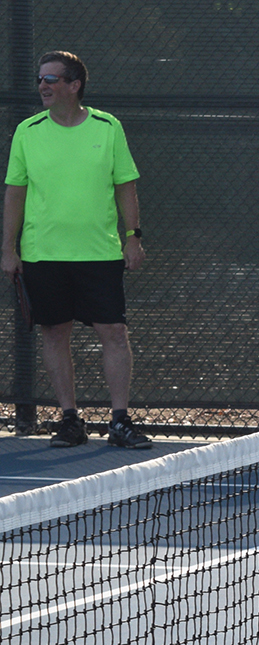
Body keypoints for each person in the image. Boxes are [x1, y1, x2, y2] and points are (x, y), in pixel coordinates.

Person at [2, 50, 151, 450]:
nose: (42, 86)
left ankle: (119, 421)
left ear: (74, 85)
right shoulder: (27, 131)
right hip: (42, 254)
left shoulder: (108, 127)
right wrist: (8, 249)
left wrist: (133, 235)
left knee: (114, 332)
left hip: (99, 254)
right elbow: (15, 193)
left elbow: (125, 185)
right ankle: (70, 420)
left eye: (51, 79)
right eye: (39, 79)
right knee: (54, 333)